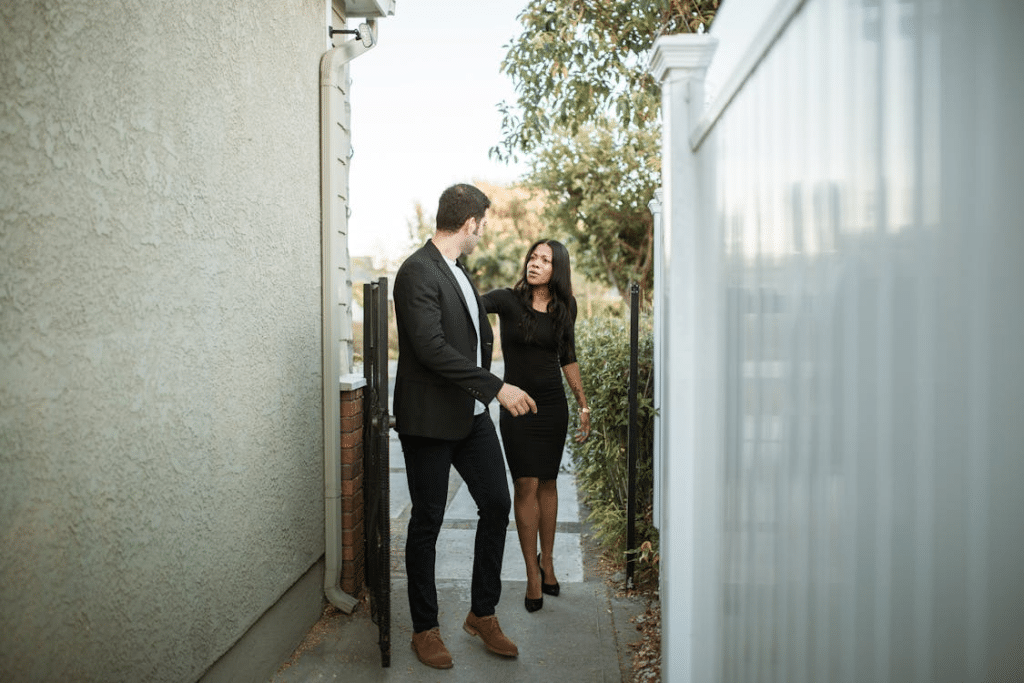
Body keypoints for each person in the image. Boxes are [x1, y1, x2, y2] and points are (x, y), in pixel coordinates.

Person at [392, 183, 538, 670]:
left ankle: (482, 613)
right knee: (428, 522)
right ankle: (425, 628)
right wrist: (497, 387)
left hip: (471, 419)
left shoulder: (458, 269)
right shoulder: (417, 271)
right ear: (471, 223)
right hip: (430, 421)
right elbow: (431, 347)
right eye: (483, 225)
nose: (483, 234)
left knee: (497, 504)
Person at [481, 239, 590, 613]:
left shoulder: (566, 306)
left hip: (552, 408)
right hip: (516, 406)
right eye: (532, 256)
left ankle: (549, 562)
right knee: (525, 483)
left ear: (557, 269)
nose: (535, 263)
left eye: (545, 260)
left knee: (548, 482)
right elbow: (465, 307)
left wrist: (583, 403)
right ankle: (531, 572)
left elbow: (568, 356)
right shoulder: (505, 300)